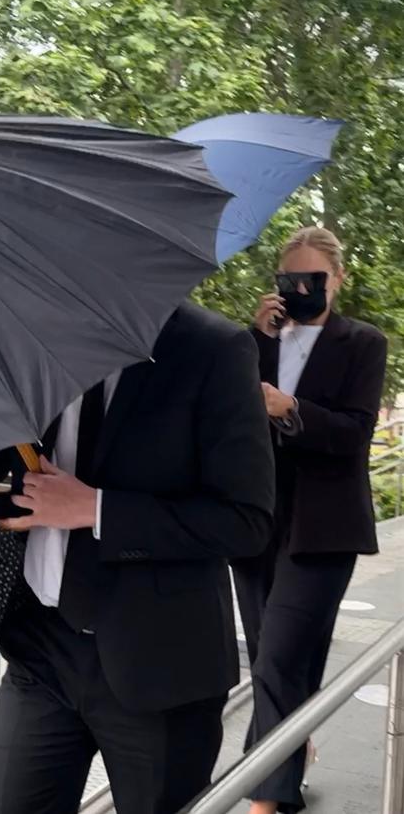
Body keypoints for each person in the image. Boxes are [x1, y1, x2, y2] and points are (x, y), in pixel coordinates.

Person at [0, 302, 275, 814]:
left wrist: (96, 509)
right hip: (39, 652)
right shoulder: (25, 342)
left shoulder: (213, 348)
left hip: (160, 665)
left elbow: (245, 521)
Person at [232, 226, 388, 814]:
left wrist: (291, 408)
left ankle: (263, 802)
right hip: (256, 521)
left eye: (312, 278)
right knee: (273, 657)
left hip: (325, 526)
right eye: (288, 278)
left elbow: (353, 433)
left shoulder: (362, 343)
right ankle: (290, 754)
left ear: (337, 279)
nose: (299, 288)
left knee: (279, 660)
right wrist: (253, 336)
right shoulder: (256, 345)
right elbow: (227, 420)